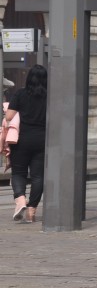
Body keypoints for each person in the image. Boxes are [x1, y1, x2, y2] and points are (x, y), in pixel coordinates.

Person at [8, 65, 47, 225]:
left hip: (22, 139)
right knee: (38, 176)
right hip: (43, 139)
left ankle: (21, 200)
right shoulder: (50, 96)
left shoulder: (21, 93)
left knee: (19, 172)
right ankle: (32, 209)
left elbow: (9, 116)